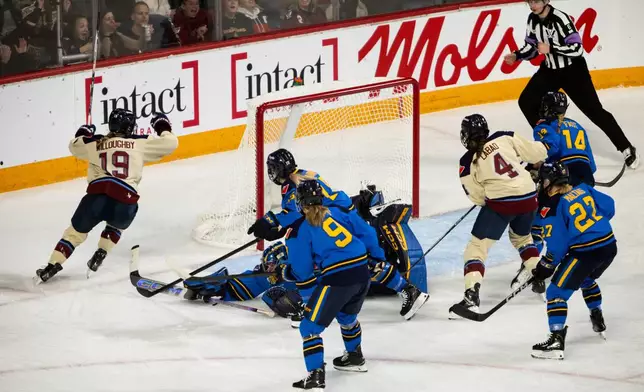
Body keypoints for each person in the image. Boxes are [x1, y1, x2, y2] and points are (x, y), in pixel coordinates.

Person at [247, 148, 428, 320]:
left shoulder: (292, 183)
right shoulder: (305, 173)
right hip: (342, 213)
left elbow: (295, 212)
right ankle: (407, 290)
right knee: (364, 259)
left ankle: (316, 304)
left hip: (329, 218)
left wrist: (271, 221)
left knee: (341, 260)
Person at [35, 110, 178, 283]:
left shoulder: (95, 142)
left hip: (97, 196)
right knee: (116, 226)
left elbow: (74, 145)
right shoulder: (140, 143)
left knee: (74, 234)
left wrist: (84, 132)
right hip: (126, 199)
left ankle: (51, 266)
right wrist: (161, 124)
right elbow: (171, 143)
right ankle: (102, 251)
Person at [505, 0, 639, 170]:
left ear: (546, 1)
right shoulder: (532, 19)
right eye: (530, 1)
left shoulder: (561, 19)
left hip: (573, 72)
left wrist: (551, 48)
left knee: (595, 111)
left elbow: (577, 49)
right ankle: (548, 143)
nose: (532, 4)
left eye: (536, 1)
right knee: (526, 102)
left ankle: (626, 147)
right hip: (550, 71)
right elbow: (532, 47)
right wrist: (517, 55)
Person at [449, 114, 548, 318]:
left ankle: (471, 298)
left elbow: (477, 197)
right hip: (530, 197)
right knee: (523, 238)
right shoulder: (504, 137)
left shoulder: (467, 161)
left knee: (477, 247)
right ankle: (537, 275)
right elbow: (538, 152)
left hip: (502, 203)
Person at [281, 180, 372, 390]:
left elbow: (302, 272)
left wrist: (287, 272)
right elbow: (358, 235)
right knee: (347, 317)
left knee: (309, 328)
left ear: (300, 203)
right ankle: (355, 358)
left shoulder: (299, 229)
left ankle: (315, 377)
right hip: (362, 272)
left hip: (338, 280)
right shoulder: (337, 213)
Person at [530, 162, 617, 359]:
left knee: (555, 292)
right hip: (609, 246)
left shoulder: (554, 207)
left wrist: (545, 267)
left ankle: (556, 340)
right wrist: (593, 227)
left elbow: (557, 247)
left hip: (587, 253)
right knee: (585, 279)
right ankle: (597, 316)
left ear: (549, 182)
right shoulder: (583, 188)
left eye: (542, 180)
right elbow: (609, 206)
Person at [530, 91, 597, 256]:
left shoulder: (543, 126)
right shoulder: (577, 126)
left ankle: (532, 263)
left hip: (563, 176)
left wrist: (532, 165)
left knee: (539, 218)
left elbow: (550, 149)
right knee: (573, 218)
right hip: (586, 176)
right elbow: (592, 165)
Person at [182, 241, 306, 324]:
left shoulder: (300, 268)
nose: (268, 268)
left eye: (271, 265)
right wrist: (219, 288)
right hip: (269, 280)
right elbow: (252, 283)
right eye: (266, 264)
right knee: (232, 283)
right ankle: (213, 286)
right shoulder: (266, 274)